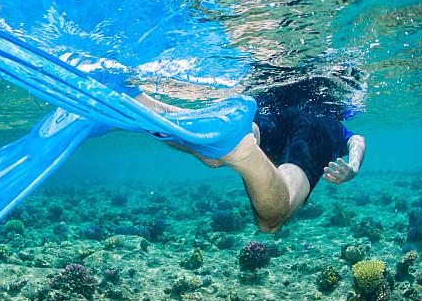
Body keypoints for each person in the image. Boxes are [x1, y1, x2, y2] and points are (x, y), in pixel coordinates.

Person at [133, 92, 366, 233]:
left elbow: (358, 141)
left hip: (278, 113)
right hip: (318, 126)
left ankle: (147, 105)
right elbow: (356, 139)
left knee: (217, 153)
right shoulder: (333, 125)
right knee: (271, 221)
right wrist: (353, 168)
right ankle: (242, 149)